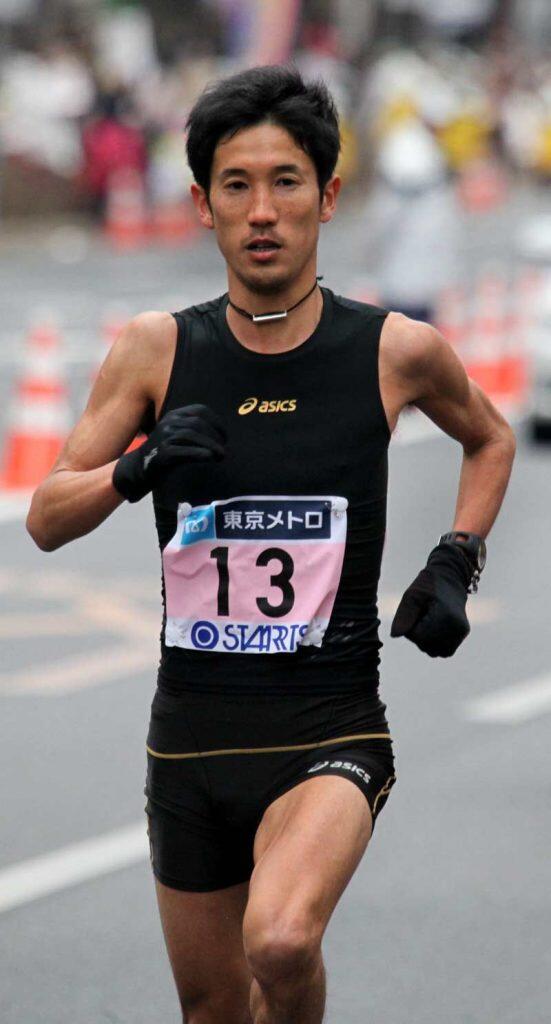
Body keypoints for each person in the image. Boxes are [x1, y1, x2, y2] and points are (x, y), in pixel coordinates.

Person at [27, 65, 515, 1024]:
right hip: (191, 739)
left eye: (285, 182)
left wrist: (457, 556)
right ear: (201, 204)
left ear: (326, 198)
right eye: (236, 186)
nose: (262, 211)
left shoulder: (394, 350)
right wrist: (134, 468)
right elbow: (46, 515)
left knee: (282, 940)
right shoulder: (156, 349)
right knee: (213, 1011)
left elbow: (490, 437)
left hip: (328, 725)